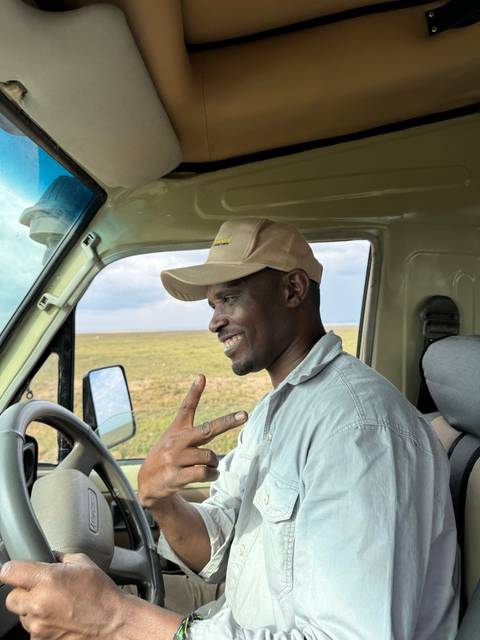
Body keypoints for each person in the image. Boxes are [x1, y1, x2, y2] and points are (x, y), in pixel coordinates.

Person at [1, 217, 459, 639]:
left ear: (293, 289)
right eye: (212, 303)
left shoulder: (357, 431)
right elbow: (217, 554)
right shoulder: (279, 410)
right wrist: (162, 502)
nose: (214, 321)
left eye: (229, 298)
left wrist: (116, 617)